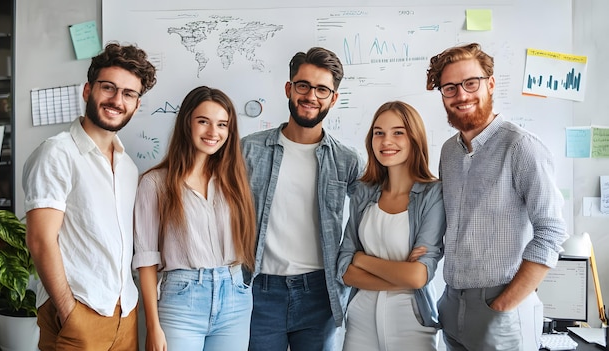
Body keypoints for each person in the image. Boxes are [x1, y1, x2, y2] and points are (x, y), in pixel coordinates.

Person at [426, 42, 568, 350]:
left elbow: (552, 231)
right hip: (452, 304)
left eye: (470, 83)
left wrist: (503, 305)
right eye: (450, 88)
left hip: (501, 307)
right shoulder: (449, 152)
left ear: (490, 84)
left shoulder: (521, 147)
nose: (461, 95)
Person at [23, 42, 157, 350]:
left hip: (125, 313)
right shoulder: (57, 152)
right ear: (87, 91)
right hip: (79, 312)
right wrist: (69, 311)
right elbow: (40, 240)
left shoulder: (128, 167)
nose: (117, 100)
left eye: (128, 93)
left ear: (136, 104)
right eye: (108, 88)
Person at [241, 47, 363, 351]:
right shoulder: (248, 150)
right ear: (289, 89)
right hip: (259, 289)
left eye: (322, 89)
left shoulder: (347, 160)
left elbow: (374, 214)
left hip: (320, 293)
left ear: (333, 98)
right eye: (303, 85)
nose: (311, 95)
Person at [132, 86, 256, 351]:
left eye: (222, 124)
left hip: (235, 297)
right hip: (182, 301)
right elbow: (146, 260)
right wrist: (152, 326)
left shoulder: (233, 182)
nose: (214, 132)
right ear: (187, 123)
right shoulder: (155, 184)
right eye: (204, 121)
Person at [337, 101, 445, 351]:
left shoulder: (432, 194)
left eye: (398, 132)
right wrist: (401, 273)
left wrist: (362, 260)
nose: (386, 141)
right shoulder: (363, 192)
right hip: (359, 319)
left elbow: (418, 276)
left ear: (414, 138)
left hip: (412, 321)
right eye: (379, 133)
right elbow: (344, 270)